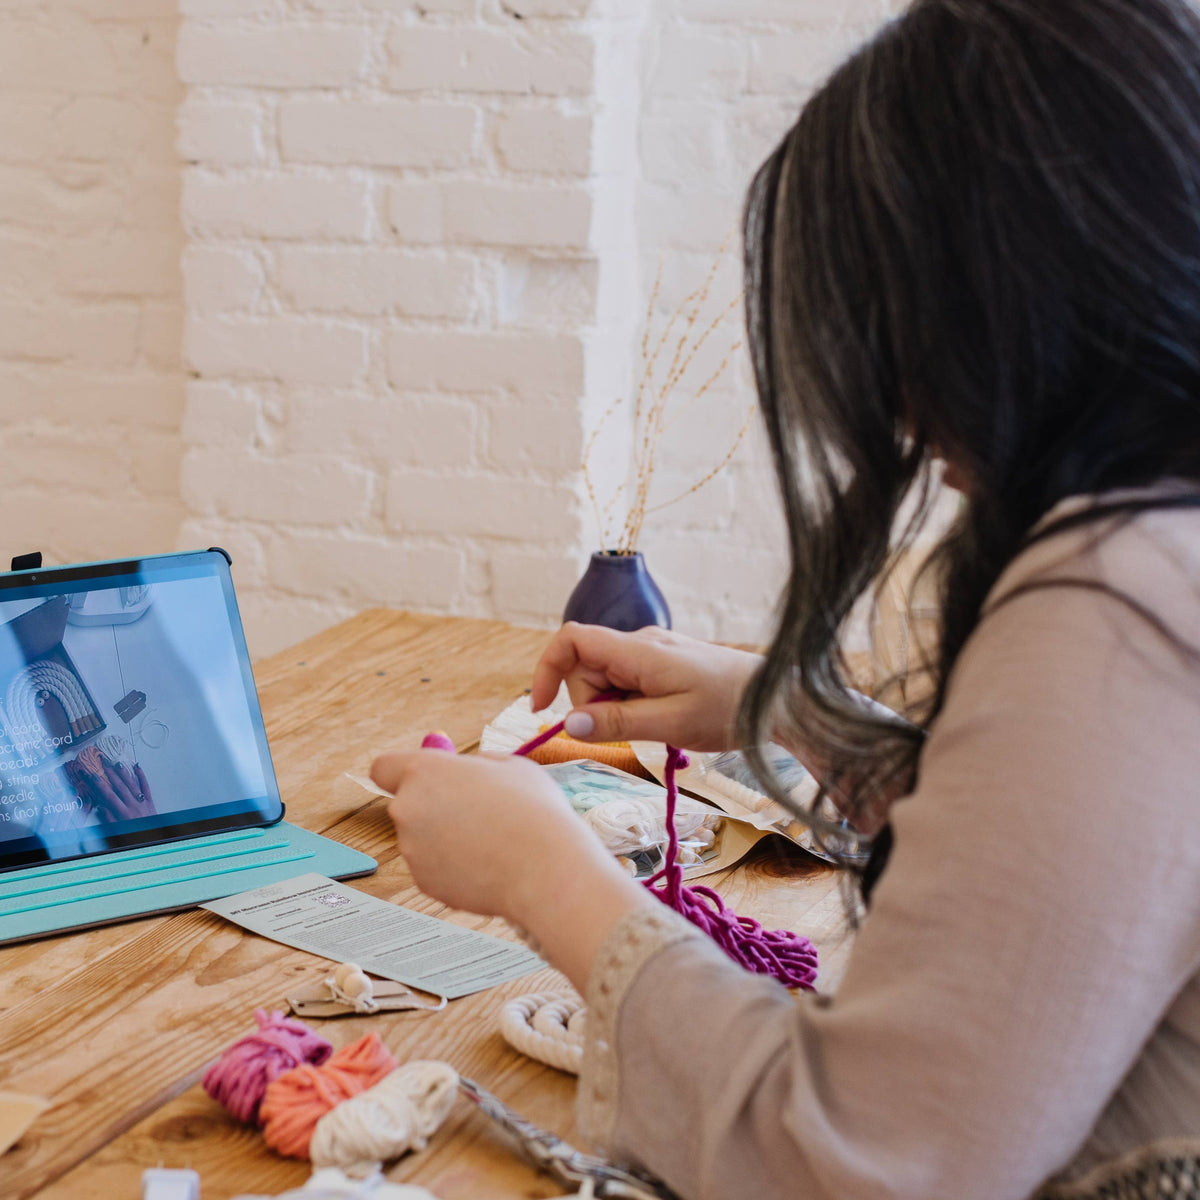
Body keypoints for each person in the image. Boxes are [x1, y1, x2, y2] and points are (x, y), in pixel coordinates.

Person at [371, 0, 1200, 1195]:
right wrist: (790, 709)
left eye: (893, 317)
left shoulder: (1121, 604)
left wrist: (542, 875)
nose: (902, 408)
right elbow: (1082, 890)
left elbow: (857, 1159)